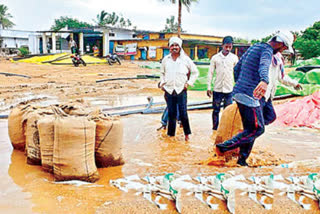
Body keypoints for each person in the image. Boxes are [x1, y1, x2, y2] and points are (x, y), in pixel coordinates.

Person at [216, 31, 295, 166]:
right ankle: (224, 147)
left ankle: (242, 158)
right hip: (250, 95)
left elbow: (237, 69)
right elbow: (264, 66)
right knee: (257, 129)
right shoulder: (267, 50)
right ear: (280, 43)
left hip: (248, 93)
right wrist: (263, 81)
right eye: (284, 48)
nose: (283, 50)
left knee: (267, 118)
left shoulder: (254, 47)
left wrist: (240, 84)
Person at [159, 37, 199, 141]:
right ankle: (171, 136)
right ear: (169, 47)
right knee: (171, 114)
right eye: (172, 45)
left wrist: (189, 83)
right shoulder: (165, 60)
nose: (174, 47)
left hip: (181, 89)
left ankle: (187, 135)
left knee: (183, 113)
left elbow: (195, 72)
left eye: (176, 45)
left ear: (180, 47)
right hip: (169, 90)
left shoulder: (185, 60)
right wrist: (162, 83)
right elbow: (162, 73)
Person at [207, 36, 239, 130]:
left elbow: (237, 73)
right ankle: (215, 129)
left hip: (229, 89)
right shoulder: (215, 58)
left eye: (230, 47)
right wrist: (209, 87)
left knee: (228, 111)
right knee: (216, 110)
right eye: (226, 46)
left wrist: (237, 87)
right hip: (218, 88)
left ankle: (226, 129)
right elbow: (210, 73)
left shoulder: (234, 58)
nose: (228, 49)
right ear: (222, 46)